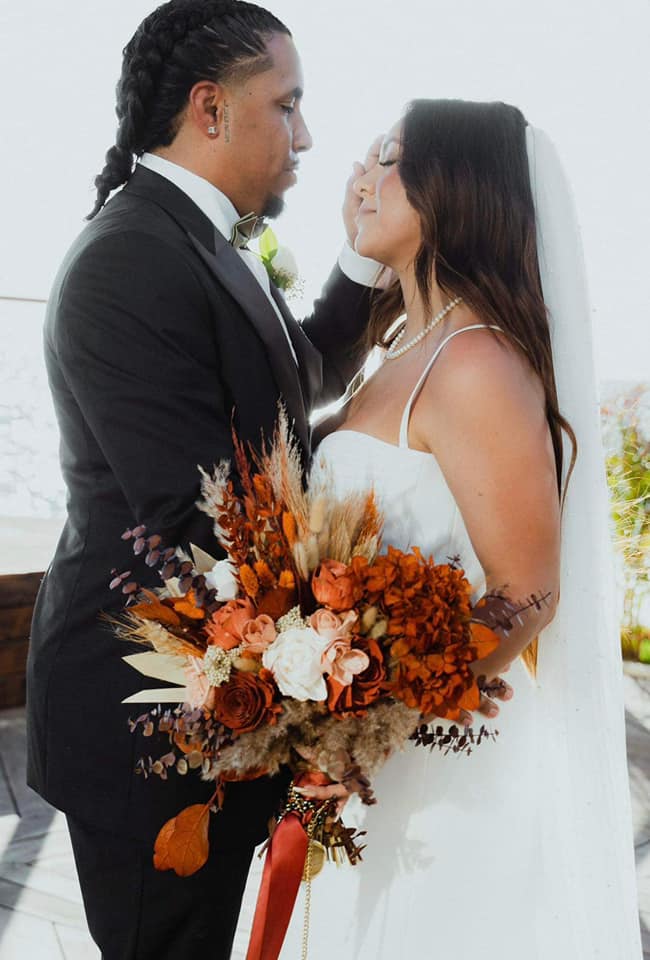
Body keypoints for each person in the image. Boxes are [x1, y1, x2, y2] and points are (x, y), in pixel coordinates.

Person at [25, 2, 405, 956]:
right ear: (210, 108)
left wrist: (366, 256)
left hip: (214, 701)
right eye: (288, 104)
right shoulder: (130, 259)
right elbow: (206, 510)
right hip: (146, 720)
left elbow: (295, 383)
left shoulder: (197, 240)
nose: (305, 136)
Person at [283, 100, 643, 958]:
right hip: (371, 759)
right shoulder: (402, 346)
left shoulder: (476, 361)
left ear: (454, 188)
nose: (360, 178)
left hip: (437, 774)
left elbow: (530, 592)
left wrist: (363, 730)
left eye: (390, 160)